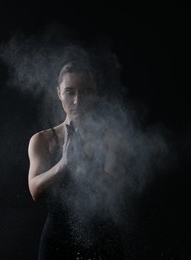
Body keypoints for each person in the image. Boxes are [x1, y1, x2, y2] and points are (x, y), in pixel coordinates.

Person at [27, 59, 127, 259]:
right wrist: (64, 163)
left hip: (103, 238)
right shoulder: (43, 140)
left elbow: (117, 191)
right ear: (59, 92)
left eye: (86, 92)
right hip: (57, 241)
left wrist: (85, 167)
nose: (77, 101)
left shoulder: (112, 139)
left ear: (96, 93)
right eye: (70, 92)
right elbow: (35, 190)